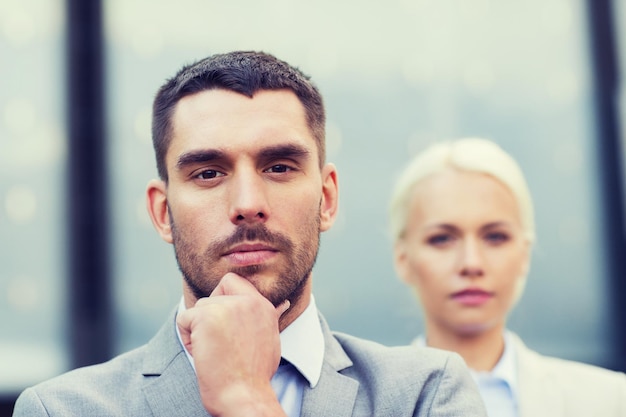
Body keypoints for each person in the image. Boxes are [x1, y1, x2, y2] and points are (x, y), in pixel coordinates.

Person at [13, 51, 487, 417]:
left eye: (279, 167)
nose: (246, 204)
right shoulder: (65, 410)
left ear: (327, 198)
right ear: (162, 213)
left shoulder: (425, 394)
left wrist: (246, 399)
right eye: (207, 173)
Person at [389, 137, 626, 417]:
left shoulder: (609, 401)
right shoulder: (362, 405)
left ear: (524, 254)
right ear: (403, 259)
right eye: (442, 239)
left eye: (495, 237)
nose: (471, 263)